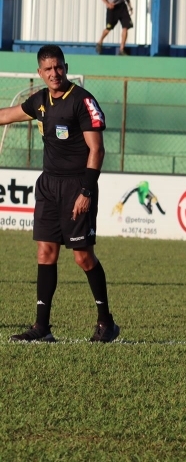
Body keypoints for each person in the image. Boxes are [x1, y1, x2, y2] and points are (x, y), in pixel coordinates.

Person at [0, 45, 119, 343]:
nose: (54, 74)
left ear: (65, 66)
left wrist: (86, 191)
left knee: (82, 257)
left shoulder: (82, 100)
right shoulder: (39, 101)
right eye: (48, 69)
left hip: (77, 185)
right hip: (48, 185)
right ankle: (42, 328)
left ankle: (106, 323)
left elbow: (97, 149)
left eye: (58, 67)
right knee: (45, 252)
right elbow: (7, 115)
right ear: (39, 73)